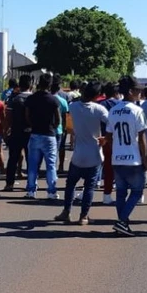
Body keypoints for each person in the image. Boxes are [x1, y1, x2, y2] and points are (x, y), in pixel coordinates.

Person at [54, 81, 108, 225]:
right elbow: (112, 124)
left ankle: (66, 212)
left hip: (78, 154)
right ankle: (83, 216)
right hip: (94, 154)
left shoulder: (73, 107)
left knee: (70, 184)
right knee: (89, 186)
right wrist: (106, 138)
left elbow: (69, 128)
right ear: (97, 95)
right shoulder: (99, 109)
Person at [105, 76, 147, 236]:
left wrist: (115, 149)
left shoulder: (113, 110)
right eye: (138, 90)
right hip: (134, 157)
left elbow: (108, 136)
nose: (140, 93)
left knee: (121, 193)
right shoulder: (137, 111)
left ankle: (123, 224)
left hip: (117, 157)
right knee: (137, 192)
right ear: (130, 91)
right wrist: (145, 159)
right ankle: (122, 221)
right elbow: (142, 138)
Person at [24, 73, 61, 200]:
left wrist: (33, 125)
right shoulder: (53, 99)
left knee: (33, 164)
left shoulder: (31, 98)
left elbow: (27, 116)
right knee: (50, 165)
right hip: (49, 134)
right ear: (50, 85)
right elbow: (58, 119)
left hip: (35, 134)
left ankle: (31, 190)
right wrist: (53, 127)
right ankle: (51, 191)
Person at [3, 74, 33, 191]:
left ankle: (9, 183)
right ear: (31, 85)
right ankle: (30, 184)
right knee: (31, 159)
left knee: (13, 158)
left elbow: (8, 117)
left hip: (16, 132)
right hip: (31, 133)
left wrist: (5, 131)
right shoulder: (34, 99)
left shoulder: (14, 99)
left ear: (20, 85)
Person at [99, 82, 122, 205]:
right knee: (122, 168)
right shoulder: (120, 105)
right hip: (121, 140)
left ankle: (107, 194)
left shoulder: (100, 104)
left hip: (105, 139)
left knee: (108, 167)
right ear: (116, 93)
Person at [51, 81, 70, 174]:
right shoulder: (63, 101)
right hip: (60, 128)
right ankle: (61, 166)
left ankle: (51, 168)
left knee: (51, 150)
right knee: (61, 148)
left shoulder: (48, 98)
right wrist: (65, 127)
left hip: (48, 129)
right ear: (58, 89)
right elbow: (65, 115)